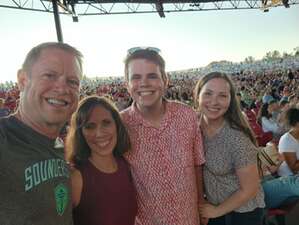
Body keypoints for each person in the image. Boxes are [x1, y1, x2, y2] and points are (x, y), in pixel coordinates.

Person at [0, 42, 83, 225]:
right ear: (23, 80)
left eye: (72, 82)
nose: (62, 88)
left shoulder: (58, 146)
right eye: (49, 76)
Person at [121, 47, 205, 225]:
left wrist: (201, 204)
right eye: (136, 77)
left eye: (152, 76)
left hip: (189, 219)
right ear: (127, 84)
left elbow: (197, 164)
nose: (144, 83)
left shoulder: (187, 115)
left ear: (165, 80)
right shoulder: (120, 125)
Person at [194, 72, 265, 225]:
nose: (214, 102)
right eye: (208, 93)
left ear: (230, 100)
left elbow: (250, 188)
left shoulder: (237, 138)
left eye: (222, 96)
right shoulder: (193, 127)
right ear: (197, 95)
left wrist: (215, 211)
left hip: (242, 212)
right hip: (215, 205)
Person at [66, 96, 137, 225]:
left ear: (117, 125)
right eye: (90, 126)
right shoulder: (76, 177)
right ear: (80, 133)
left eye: (106, 123)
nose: (99, 133)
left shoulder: (126, 164)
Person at [261, 107, 299, 208]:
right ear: (297, 124)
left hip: (290, 179)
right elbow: (294, 169)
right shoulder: (287, 140)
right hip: (287, 178)